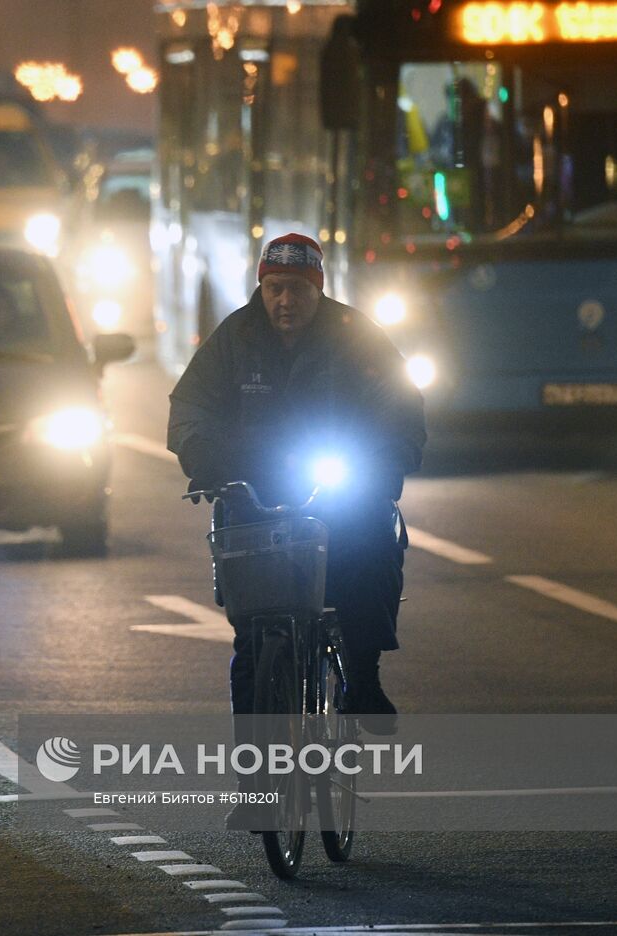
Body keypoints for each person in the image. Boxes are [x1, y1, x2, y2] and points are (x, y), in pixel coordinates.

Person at [166, 233, 426, 729]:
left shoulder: (356, 335)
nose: (285, 301)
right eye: (276, 289)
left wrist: (390, 457)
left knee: (374, 543)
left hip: (338, 488)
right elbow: (191, 407)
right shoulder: (234, 338)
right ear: (262, 289)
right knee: (250, 642)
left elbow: (400, 404)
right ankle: (253, 795)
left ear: (319, 291)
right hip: (252, 492)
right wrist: (202, 454)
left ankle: (364, 678)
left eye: (299, 291)